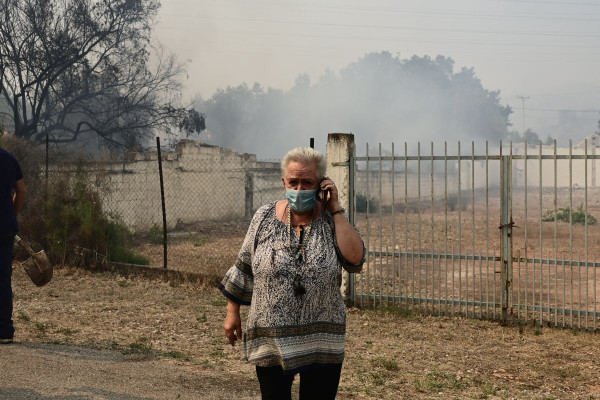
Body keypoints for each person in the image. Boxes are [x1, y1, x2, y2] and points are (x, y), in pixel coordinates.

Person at [219, 147, 365, 400]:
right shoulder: (263, 217)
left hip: (321, 339)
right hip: (271, 337)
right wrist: (232, 312)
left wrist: (336, 208)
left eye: (307, 182)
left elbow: (355, 259)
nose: (299, 189)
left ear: (321, 185)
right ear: (283, 182)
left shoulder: (333, 221)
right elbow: (244, 265)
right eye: (293, 182)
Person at [0, 144, 26, 344]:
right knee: (3, 277)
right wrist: (12, 214)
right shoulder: (9, 159)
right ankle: (5, 329)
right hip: (6, 226)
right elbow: (21, 191)